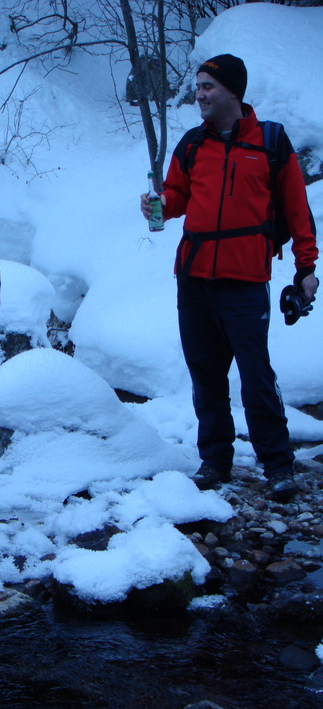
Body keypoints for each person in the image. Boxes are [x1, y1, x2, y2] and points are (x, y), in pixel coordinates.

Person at [140, 54, 318, 501]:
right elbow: (177, 198)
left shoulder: (271, 142)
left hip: (245, 280)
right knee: (206, 375)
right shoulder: (192, 144)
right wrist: (157, 203)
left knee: (256, 374)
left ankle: (278, 465)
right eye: (198, 86)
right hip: (194, 277)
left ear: (233, 92)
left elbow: (298, 210)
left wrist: (307, 269)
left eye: (208, 87)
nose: (199, 94)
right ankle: (215, 462)